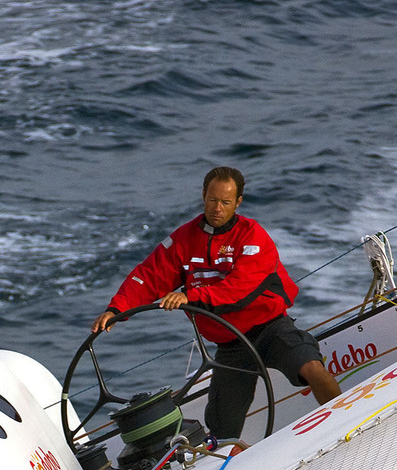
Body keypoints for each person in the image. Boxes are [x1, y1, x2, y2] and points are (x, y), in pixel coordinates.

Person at [93, 167, 340, 444]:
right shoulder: (182, 240)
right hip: (230, 344)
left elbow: (240, 288)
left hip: (270, 329)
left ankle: (345, 424)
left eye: (225, 202)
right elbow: (148, 276)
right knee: (222, 428)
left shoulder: (253, 236)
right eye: (212, 200)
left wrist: (191, 297)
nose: (218, 208)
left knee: (311, 367)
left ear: (238, 202)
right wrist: (116, 309)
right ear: (203, 196)